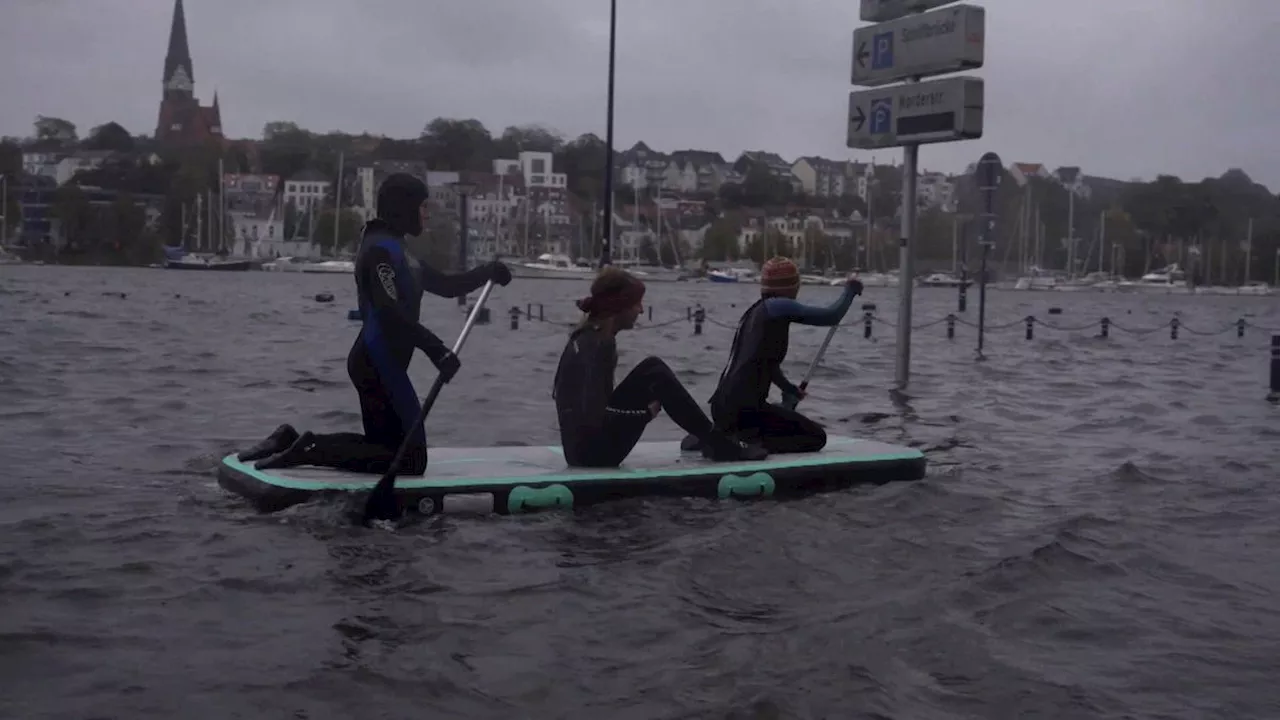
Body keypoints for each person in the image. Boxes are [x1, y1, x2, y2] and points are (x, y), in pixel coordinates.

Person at [237, 173, 512, 474]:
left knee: (384, 447)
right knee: (410, 460)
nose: (426, 213)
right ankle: (309, 450)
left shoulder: (399, 249)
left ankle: (289, 440)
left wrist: (488, 271)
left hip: (381, 362)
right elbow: (389, 313)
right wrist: (437, 350)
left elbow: (446, 286)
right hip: (377, 363)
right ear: (402, 207)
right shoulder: (379, 252)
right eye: (422, 207)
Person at [552, 267, 768, 468]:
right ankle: (718, 442)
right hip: (591, 456)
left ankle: (710, 438)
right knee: (655, 371)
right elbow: (591, 417)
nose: (641, 310)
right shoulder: (599, 344)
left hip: (579, 450)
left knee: (651, 370)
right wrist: (643, 415)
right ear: (620, 307)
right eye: (637, 303)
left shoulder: (588, 336)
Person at [682, 256, 863, 455]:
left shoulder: (754, 312)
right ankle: (735, 443)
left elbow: (767, 366)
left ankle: (720, 434)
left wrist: (789, 389)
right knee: (816, 438)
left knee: (780, 419)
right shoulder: (779, 306)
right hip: (746, 411)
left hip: (722, 407)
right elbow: (832, 315)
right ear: (791, 286)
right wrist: (850, 290)